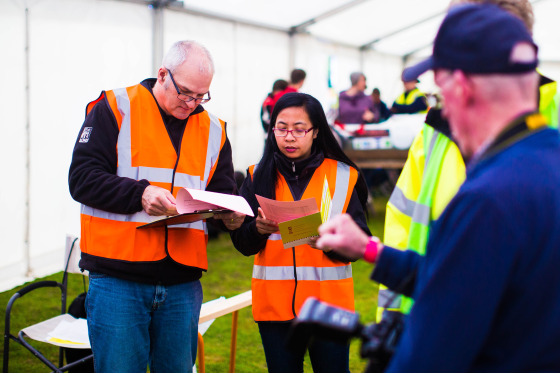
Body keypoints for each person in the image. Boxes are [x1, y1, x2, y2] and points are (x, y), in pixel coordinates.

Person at [317, 4, 560, 371]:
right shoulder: (547, 156)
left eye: (441, 90)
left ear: (461, 87)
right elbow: (465, 276)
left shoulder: (487, 200)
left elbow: (430, 353)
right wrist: (372, 251)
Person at [68, 40, 245, 372]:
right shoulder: (114, 107)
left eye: (201, 96)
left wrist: (231, 217)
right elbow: (82, 179)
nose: (192, 104)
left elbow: (222, 193)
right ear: (163, 74)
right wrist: (141, 193)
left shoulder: (214, 130)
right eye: (186, 93)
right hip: (118, 278)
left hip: (182, 283)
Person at [378, 0, 560, 322]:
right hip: (440, 317)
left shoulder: (553, 116)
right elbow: (403, 224)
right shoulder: (435, 131)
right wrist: (396, 321)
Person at [230, 92, 371, 373]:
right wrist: (257, 229)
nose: (289, 137)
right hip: (274, 310)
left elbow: (360, 244)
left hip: (329, 309)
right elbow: (242, 243)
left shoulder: (343, 176)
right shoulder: (257, 176)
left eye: (299, 129)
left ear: (316, 131)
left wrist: (329, 243)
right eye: (281, 128)